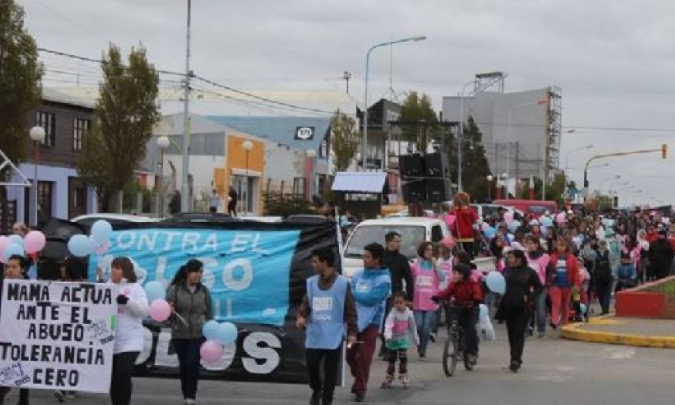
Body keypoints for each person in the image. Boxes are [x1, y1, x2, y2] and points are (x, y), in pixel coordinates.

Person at [297, 248, 357, 405]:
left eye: (315, 261)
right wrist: (302, 316)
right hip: (315, 334)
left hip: (334, 335)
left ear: (325, 262)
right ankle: (317, 388)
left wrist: (352, 332)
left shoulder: (343, 284)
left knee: (330, 373)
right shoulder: (311, 283)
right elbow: (306, 303)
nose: (313, 265)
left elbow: (351, 310)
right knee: (311, 367)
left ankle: (327, 400)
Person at [346, 243, 391, 403]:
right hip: (354, 322)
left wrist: (354, 294)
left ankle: (360, 388)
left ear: (377, 259)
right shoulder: (358, 275)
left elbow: (372, 299)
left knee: (364, 357)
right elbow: (349, 294)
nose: (364, 259)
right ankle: (359, 379)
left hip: (371, 323)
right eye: (363, 256)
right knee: (350, 355)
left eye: (367, 257)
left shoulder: (384, 279)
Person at [166, 259, 213, 405]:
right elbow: (167, 312)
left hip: (199, 334)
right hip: (180, 334)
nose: (198, 275)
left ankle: (191, 396)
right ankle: (186, 394)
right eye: (196, 272)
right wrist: (170, 310)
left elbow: (209, 313)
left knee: (193, 363)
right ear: (188, 272)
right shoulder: (176, 289)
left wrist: (211, 331)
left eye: (201, 272)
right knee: (184, 365)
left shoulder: (204, 291)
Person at [108, 257, 149, 405]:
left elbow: (144, 311)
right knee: (113, 377)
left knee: (123, 372)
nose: (113, 270)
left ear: (125, 271)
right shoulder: (106, 287)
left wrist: (127, 302)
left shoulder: (135, 288)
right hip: (110, 341)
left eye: (118, 268)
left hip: (131, 340)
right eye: (113, 267)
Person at [496, 249, 543, 373]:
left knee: (519, 332)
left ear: (519, 259)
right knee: (511, 334)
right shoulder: (506, 271)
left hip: (523, 307)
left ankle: (516, 359)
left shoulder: (529, 272)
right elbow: (500, 285)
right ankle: (513, 357)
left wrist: (530, 296)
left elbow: (539, 288)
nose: (509, 260)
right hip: (508, 306)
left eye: (511, 257)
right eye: (508, 258)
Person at [432, 263, 483, 368]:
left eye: (455, 273)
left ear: (462, 275)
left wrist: (475, 300)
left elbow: (477, 293)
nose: (453, 276)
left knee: (470, 329)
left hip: (471, 310)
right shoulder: (453, 284)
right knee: (455, 327)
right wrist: (437, 297)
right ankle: (458, 345)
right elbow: (446, 293)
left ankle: (472, 353)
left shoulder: (472, 283)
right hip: (458, 308)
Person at [54, 257, 87, 403]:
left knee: (73, 356)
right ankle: (61, 386)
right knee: (61, 356)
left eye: (64, 267)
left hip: (78, 326)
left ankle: (71, 385)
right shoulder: (57, 283)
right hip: (61, 326)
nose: (61, 269)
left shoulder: (84, 285)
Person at [0, 255, 30, 405]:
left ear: (22, 269)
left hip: (23, 337)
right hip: (4, 337)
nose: (9, 270)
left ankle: (23, 401)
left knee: (25, 370)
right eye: (8, 267)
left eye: (14, 267)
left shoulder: (32, 288)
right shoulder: (2, 286)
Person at [379, 231, 413, 358]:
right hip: (380, 293)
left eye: (400, 241)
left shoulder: (402, 259)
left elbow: (409, 279)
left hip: (395, 293)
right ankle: (385, 344)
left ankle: (389, 349)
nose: (399, 244)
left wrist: (410, 297)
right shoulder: (381, 257)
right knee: (380, 323)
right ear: (389, 242)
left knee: (390, 321)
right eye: (396, 241)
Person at [410, 241, 445, 360]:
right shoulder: (416, 264)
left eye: (431, 250)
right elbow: (409, 276)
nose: (429, 252)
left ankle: (422, 351)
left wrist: (437, 265)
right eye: (427, 250)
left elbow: (442, 278)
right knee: (418, 325)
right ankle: (420, 343)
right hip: (418, 301)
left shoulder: (435, 265)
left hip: (430, 302)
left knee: (426, 328)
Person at [381, 292, 419, 389]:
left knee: (403, 358)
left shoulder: (409, 314)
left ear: (405, 302)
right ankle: (389, 377)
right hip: (392, 341)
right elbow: (388, 325)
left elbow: (412, 327)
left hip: (403, 340)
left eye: (400, 302)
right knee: (391, 360)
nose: (398, 305)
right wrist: (388, 335)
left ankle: (403, 375)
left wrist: (416, 338)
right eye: (396, 303)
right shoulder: (392, 314)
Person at [548, 238, 579, 328]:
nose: (560, 248)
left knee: (565, 304)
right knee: (556, 303)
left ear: (566, 247)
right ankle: (554, 321)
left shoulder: (572, 258)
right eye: (559, 245)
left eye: (562, 246)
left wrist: (576, 284)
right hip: (555, 283)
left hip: (567, 284)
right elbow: (548, 270)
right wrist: (551, 276)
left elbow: (575, 272)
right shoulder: (552, 257)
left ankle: (565, 321)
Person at [524, 235, 551, 338]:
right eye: (528, 243)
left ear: (536, 244)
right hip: (527, 287)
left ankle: (541, 329)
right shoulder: (525, 257)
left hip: (540, 287)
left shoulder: (544, 257)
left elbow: (549, 270)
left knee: (540, 309)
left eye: (531, 243)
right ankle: (526, 330)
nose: (529, 246)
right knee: (526, 309)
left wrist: (547, 283)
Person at [451, 192, 479, 258]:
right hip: (469, 237)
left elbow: (449, 224)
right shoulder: (471, 211)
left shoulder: (453, 211)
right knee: (469, 254)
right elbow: (476, 221)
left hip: (457, 237)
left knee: (458, 255)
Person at [592, 239, 614, 315]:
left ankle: (605, 309)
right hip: (599, 276)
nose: (602, 245)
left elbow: (611, 265)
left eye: (603, 244)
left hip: (606, 275)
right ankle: (604, 308)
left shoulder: (609, 253)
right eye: (601, 244)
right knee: (601, 293)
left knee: (606, 293)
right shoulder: (595, 253)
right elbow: (594, 265)